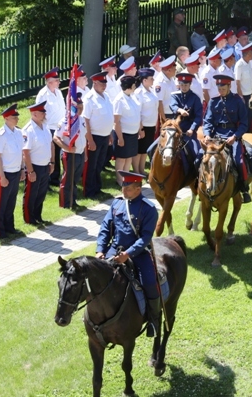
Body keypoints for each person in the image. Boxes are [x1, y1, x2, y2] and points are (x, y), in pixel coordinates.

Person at [95, 171, 161, 337]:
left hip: (138, 253)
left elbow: (145, 238)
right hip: (114, 249)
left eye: (128, 189)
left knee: (150, 281)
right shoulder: (117, 204)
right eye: (123, 187)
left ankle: (153, 319)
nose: (124, 191)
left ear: (138, 189)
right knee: (95, 276)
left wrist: (128, 254)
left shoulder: (149, 209)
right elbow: (105, 228)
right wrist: (100, 250)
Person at [203, 71, 251, 202]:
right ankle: (200, 187)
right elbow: (207, 120)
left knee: (239, 161)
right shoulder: (213, 102)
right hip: (215, 137)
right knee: (200, 160)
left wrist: (235, 136)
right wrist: (207, 134)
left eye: (223, 89)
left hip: (231, 136)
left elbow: (244, 123)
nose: (221, 91)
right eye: (219, 89)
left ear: (229, 87)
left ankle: (244, 188)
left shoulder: (237, 101)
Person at [0, 104, 25, 238]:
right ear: (6, 118)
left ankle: (9, 226)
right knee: (2, 202)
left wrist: (22, 169)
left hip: (16, 171)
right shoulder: (1, 135)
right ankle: (0, 230)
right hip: (5, 173)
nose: (17, 119)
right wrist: (2, 177)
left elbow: (21, 153)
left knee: (11, 201)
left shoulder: (18, 132)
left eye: (17, 116)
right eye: (14, 117)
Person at [22, 101, 54, 225]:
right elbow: (26, 152)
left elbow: (50, 144)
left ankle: (37, 215)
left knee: (41, 192)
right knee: (31, 193)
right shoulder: (28, 130)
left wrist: (52, 162)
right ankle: (29, 218)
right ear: (34, 114)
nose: (44, 114)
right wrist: (30, 171)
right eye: (42, 112)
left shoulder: (44, 126)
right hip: (34, 166)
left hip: (45, 165)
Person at [83, 72, 115, 198]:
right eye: (102, 83)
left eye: (105, 83)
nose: (104, 85)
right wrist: (90, 140)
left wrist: (110, 134)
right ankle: (89, 190)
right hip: (94, 136)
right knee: (91, 165)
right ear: (94, 83)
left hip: (105, 135)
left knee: (99, 164)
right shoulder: (89, 99)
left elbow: (109, 116)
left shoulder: (106, 96)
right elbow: (85, 120)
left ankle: (97, 187)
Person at [53, 94, 86, 209]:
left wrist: (84, 153)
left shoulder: (82, 120)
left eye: (82, 108)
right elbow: (56, 138)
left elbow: (83, 137)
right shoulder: (66, 121)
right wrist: (67, 148)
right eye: (79, 108)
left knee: (75, 179)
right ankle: (65, 203)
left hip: (80, 153)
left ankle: (73, 200)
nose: (81, 110)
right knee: (67, 180)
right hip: (69, 154)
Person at [168, 73, 204, 175]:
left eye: (186, 85)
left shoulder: (195, 98)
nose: (184, 87)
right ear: (179, 84)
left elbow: (198, 117)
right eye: (182, 85)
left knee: (196, 153)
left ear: (190, 84)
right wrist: (179, 110)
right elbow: (172, 105)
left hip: (189, 129)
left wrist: (192, 129)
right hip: (176, 128)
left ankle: (193, 175)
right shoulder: (175, 95)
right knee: (153, 148)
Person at [35, 67, 65, 186]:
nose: (59, 82)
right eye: (57, 80)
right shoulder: (43, 95)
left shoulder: (58, 92)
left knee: (58, 153)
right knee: (51, 155)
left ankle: (55, 177)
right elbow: (38, 112)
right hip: (49, 128)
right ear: (49, 82)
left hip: (60, 127)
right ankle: (49, 179)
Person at [112, 75, 144, 185]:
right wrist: (120, 138)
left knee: (129, 157)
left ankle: (126, 178)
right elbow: (116, 122)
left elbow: (137, 115)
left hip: (133, 133)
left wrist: (140, 129)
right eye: (134, 85)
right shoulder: (119, 100)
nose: (135, 87)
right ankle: (119, 179)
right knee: (121, 158)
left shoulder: (132, 96)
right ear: (129, 86)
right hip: (123, 133)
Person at [133, 68, 160, 175]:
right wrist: (141, 128)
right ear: (144, 80)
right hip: (143, 125)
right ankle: (136, 170)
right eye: (151, 78)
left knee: (145, 150)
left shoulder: (151, 90)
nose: (153, 80)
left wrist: (156, 123)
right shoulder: (139, 92)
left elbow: (155, 108)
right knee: (139, 149)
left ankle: (142, 169)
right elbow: (137, 112)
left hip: (151, 125)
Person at [234, 42, 252, 131]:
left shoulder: (248, 63)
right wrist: (241, 97)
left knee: (249, 116)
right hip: (243, 95)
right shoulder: (239, 64)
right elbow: (237, 82)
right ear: (247, 54)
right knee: (245, 117)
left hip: (250, 93)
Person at [154, 56, 178, 125]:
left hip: (174, 112)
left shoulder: (170, 78)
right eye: (174, 69)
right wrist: (164, 120)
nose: (175, 71)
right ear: (169, 71)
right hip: (167, 115)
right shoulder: (160, 82)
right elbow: (159, 102)